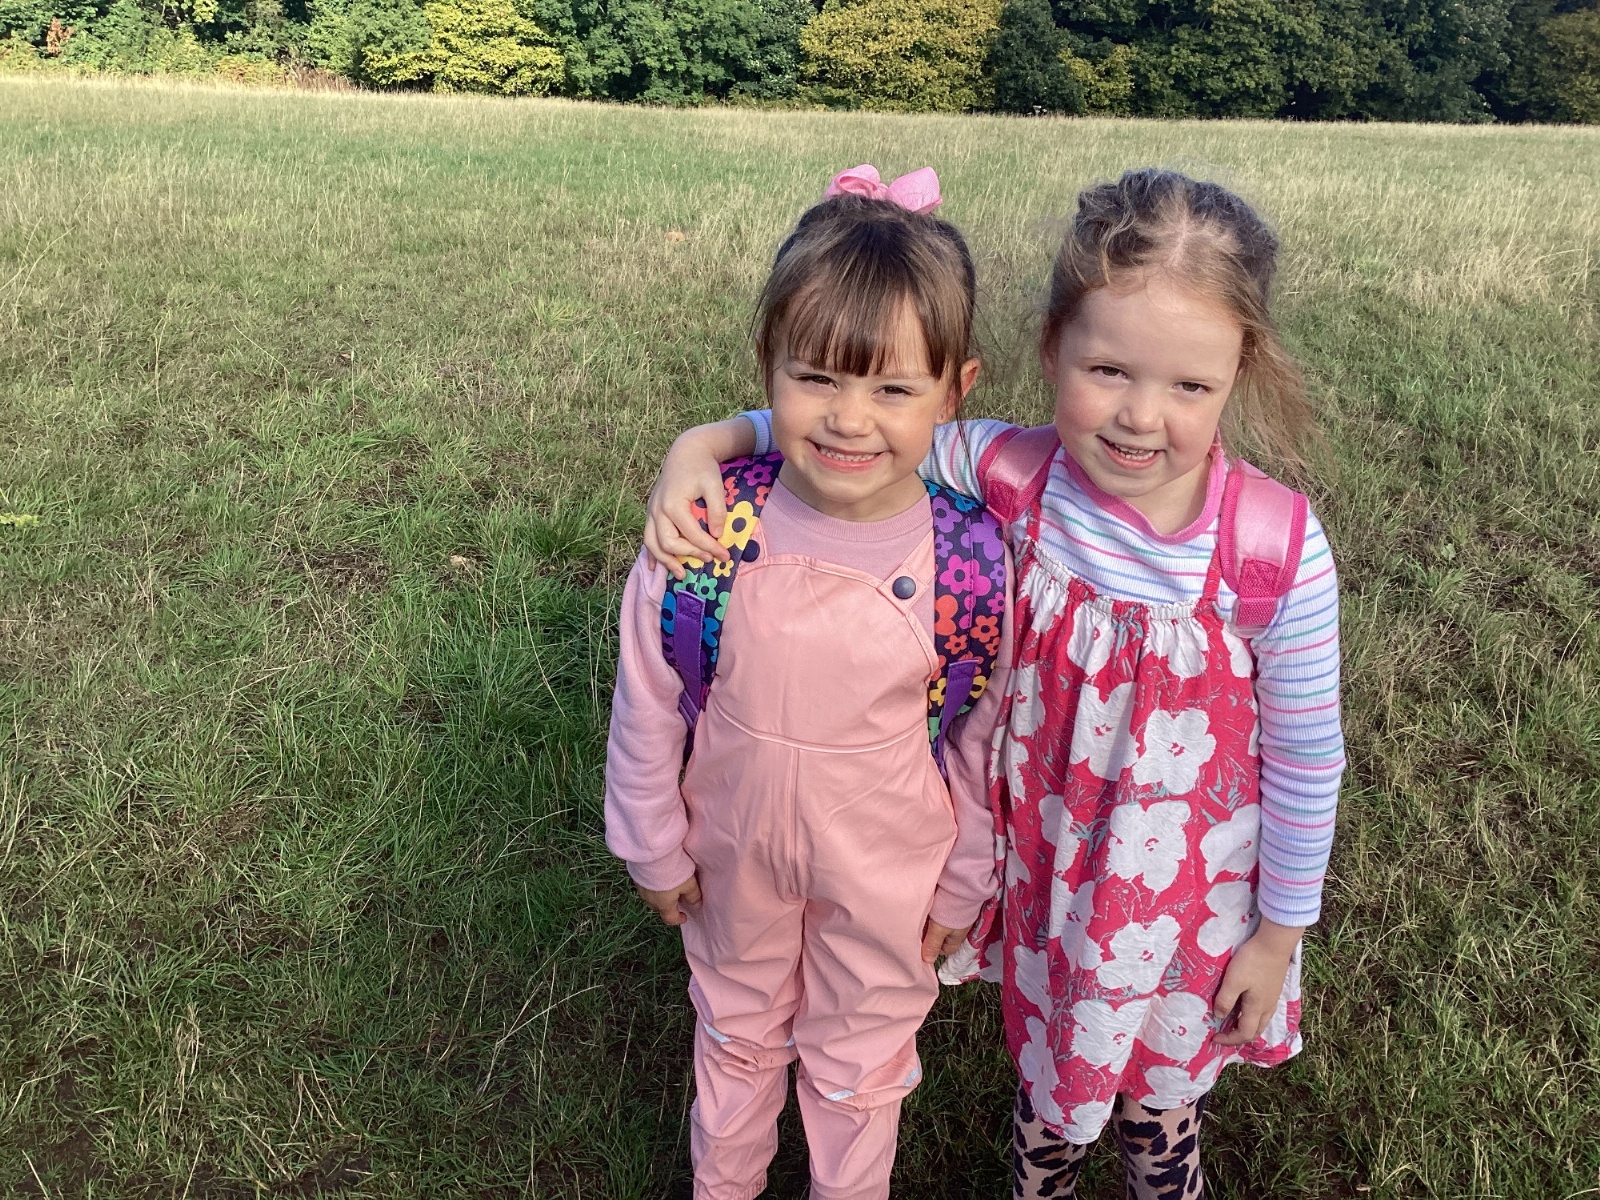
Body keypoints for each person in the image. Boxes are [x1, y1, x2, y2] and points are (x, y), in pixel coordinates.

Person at [643, 168, 1346, 1198]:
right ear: (1052, 347)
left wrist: (1279, 934)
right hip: (1043, 860)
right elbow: (857, 421)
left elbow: (1307, 759)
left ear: (1241, 369)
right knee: (1053, 1068)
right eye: (1107, 369)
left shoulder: (1274, 548)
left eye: (1189, 387)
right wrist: (703, 443)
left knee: (1159, 1103)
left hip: (1185, 892)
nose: (1140, 416)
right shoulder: (1010, 472)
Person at [604, 165, 1013, 1200]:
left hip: (889, 872)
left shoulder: (972, 561)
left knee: (859, 1069)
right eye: (818, 378)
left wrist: (965, 880)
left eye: (893, 389)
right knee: (736, 1039)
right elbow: (648, 697)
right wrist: (650, 841)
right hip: (730, 854)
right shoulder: (707, 531)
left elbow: (982, 739)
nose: (849, 419)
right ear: (769, 366)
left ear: (956, 391)